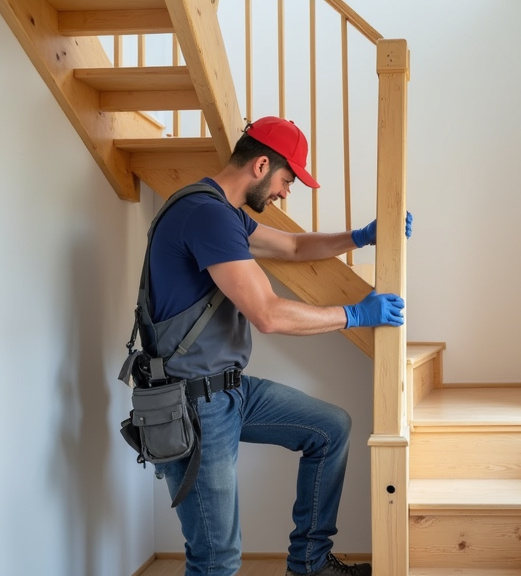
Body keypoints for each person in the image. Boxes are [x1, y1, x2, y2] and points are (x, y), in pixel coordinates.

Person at [142, 116, 410, 576]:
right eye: (287, 180)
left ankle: (308, 564)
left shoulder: (222, 213)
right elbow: (266, 313)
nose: (286, 192)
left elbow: (291, 247)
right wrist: (354, 314)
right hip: (195, 403)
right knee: (216, 560)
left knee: (330, 429)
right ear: (261, 164)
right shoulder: (205, 214)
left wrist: (360, 237)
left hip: (229, 391)